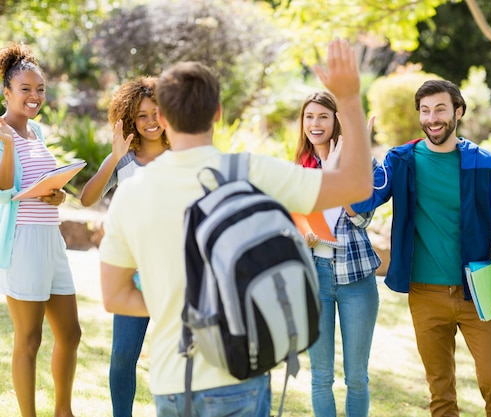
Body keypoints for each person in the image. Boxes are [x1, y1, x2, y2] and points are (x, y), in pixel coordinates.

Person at [98, 38, 372, 417]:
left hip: (172, 383)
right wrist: (350, 99)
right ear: (218, 113)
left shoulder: (132, 191)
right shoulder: (251, 172)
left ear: (161, 118)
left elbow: (114, 296)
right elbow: (358, 185)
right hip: (239, 375)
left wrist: (177, 305)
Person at [351, 79, 491, 417]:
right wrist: (357, 151)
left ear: (458, 111)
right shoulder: (401, 160)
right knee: (440, 389)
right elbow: (364, 200)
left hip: (476, 294)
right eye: (425, 111)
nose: (432, 118)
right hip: (425, 293)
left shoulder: (484, 164)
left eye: (440, 109)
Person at [0, 42, 81, 417]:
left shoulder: (38, 134)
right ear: (7, 92)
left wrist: (58, 195)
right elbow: (4, 191)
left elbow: (40, 185)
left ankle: (63, 412)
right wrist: (6, 147)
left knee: (71, 334)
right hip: (24, 243)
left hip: (52, 238)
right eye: (25, 90)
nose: (34, 97)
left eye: (40, 90)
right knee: (29, 338)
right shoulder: (1, 132)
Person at [80, 76, 169, 417]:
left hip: (174, 274)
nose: (149, 122)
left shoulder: (181, 157)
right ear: (131, 119)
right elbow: (88, 198)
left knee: (173, 356)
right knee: (122, 356)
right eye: (142, 116)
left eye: (156, 113)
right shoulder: (125, 160)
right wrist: (114, 157)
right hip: (131, 275)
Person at [294, 91, 380, 417]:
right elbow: (293, 223)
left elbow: (361, 217)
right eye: (309, 117)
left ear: (336, 121)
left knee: (357, 377)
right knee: (320, 377)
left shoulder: (361, 164)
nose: (315, 124)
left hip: (356, 279)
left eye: (323, 117)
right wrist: (303, 235)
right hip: (314, 276)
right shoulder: (296, 169)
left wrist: (338, 175)